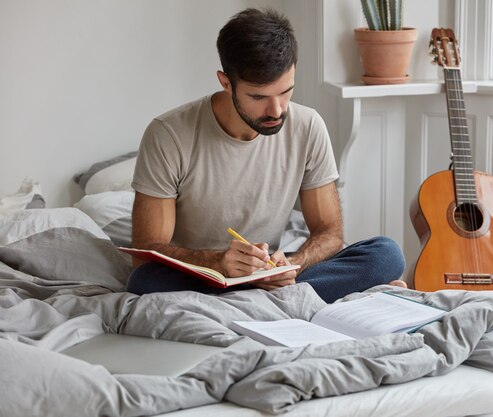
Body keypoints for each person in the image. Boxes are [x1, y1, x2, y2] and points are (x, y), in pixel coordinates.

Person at [126, 7, 406, 303]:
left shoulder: (308, 126)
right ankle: (288, 300)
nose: (277, 110)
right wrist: (219, 262)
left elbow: (330, 233)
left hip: (272, 276)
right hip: (201, 275)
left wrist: (294, 264)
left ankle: (263, 298)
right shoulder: (168, 134)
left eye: (286, 92)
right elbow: (147, 251)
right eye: (258, 97)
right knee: (144, 280)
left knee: (385, 254)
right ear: (225, 82)